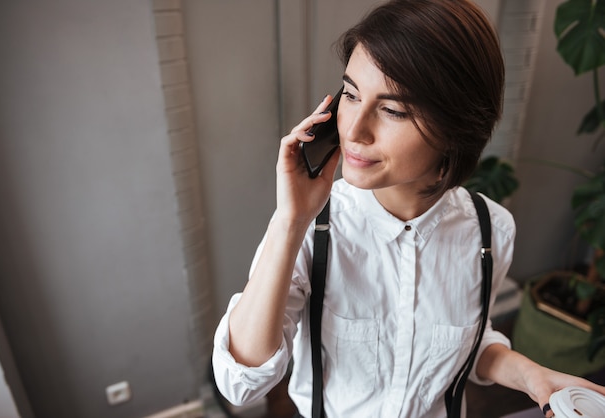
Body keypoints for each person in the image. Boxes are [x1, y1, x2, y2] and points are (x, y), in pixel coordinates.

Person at [211, 0, 605, 417]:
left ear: (457, 127)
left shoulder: (492, 230)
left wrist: (530, 376)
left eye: (393, 109)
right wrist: (290, 221)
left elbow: (465, 342)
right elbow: (240, 382)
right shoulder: (313, 227)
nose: (354, 130)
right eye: (350, 94)